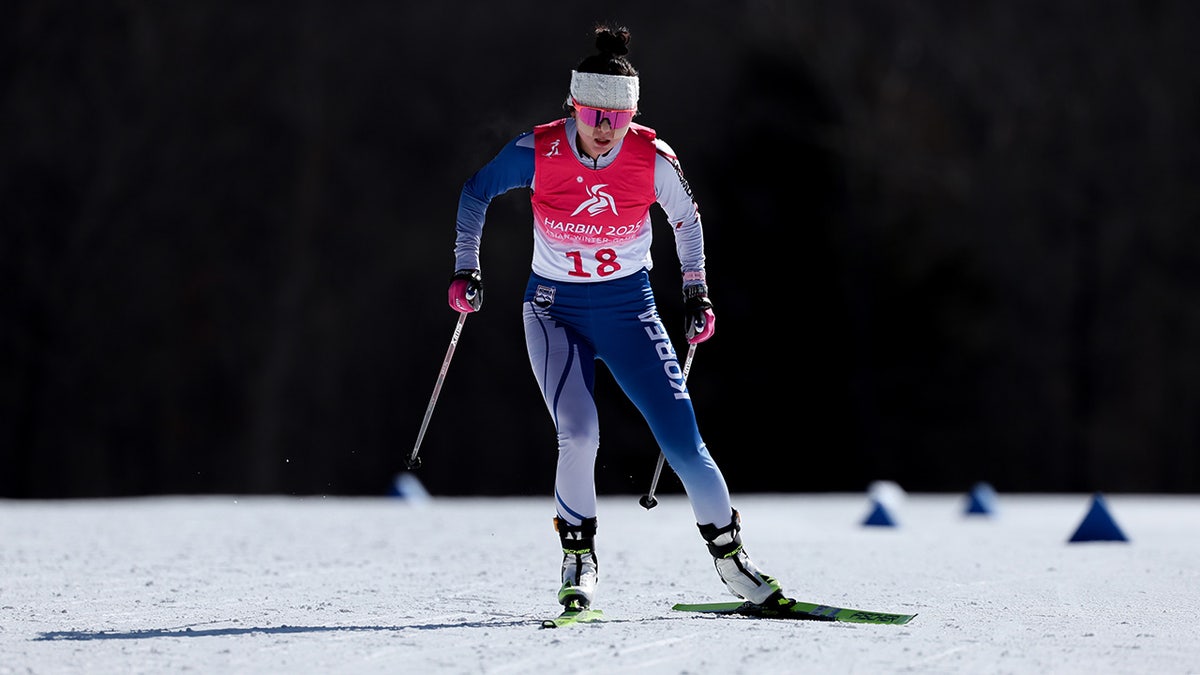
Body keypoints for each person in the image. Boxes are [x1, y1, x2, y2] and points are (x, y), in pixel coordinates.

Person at [447, 24, 791, 612]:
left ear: (632, 116)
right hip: (555, 312)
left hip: (630, 311)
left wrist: (696, 291)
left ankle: (733, 561)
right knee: (579, 433)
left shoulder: (651, 158)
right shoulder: (539, 150)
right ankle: (578, 558)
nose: (604, 127)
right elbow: (476, 192)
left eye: (617, 116)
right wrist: (466, 267)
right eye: (592, 112)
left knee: (684, 442)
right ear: (573, 105)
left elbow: (687, 220)